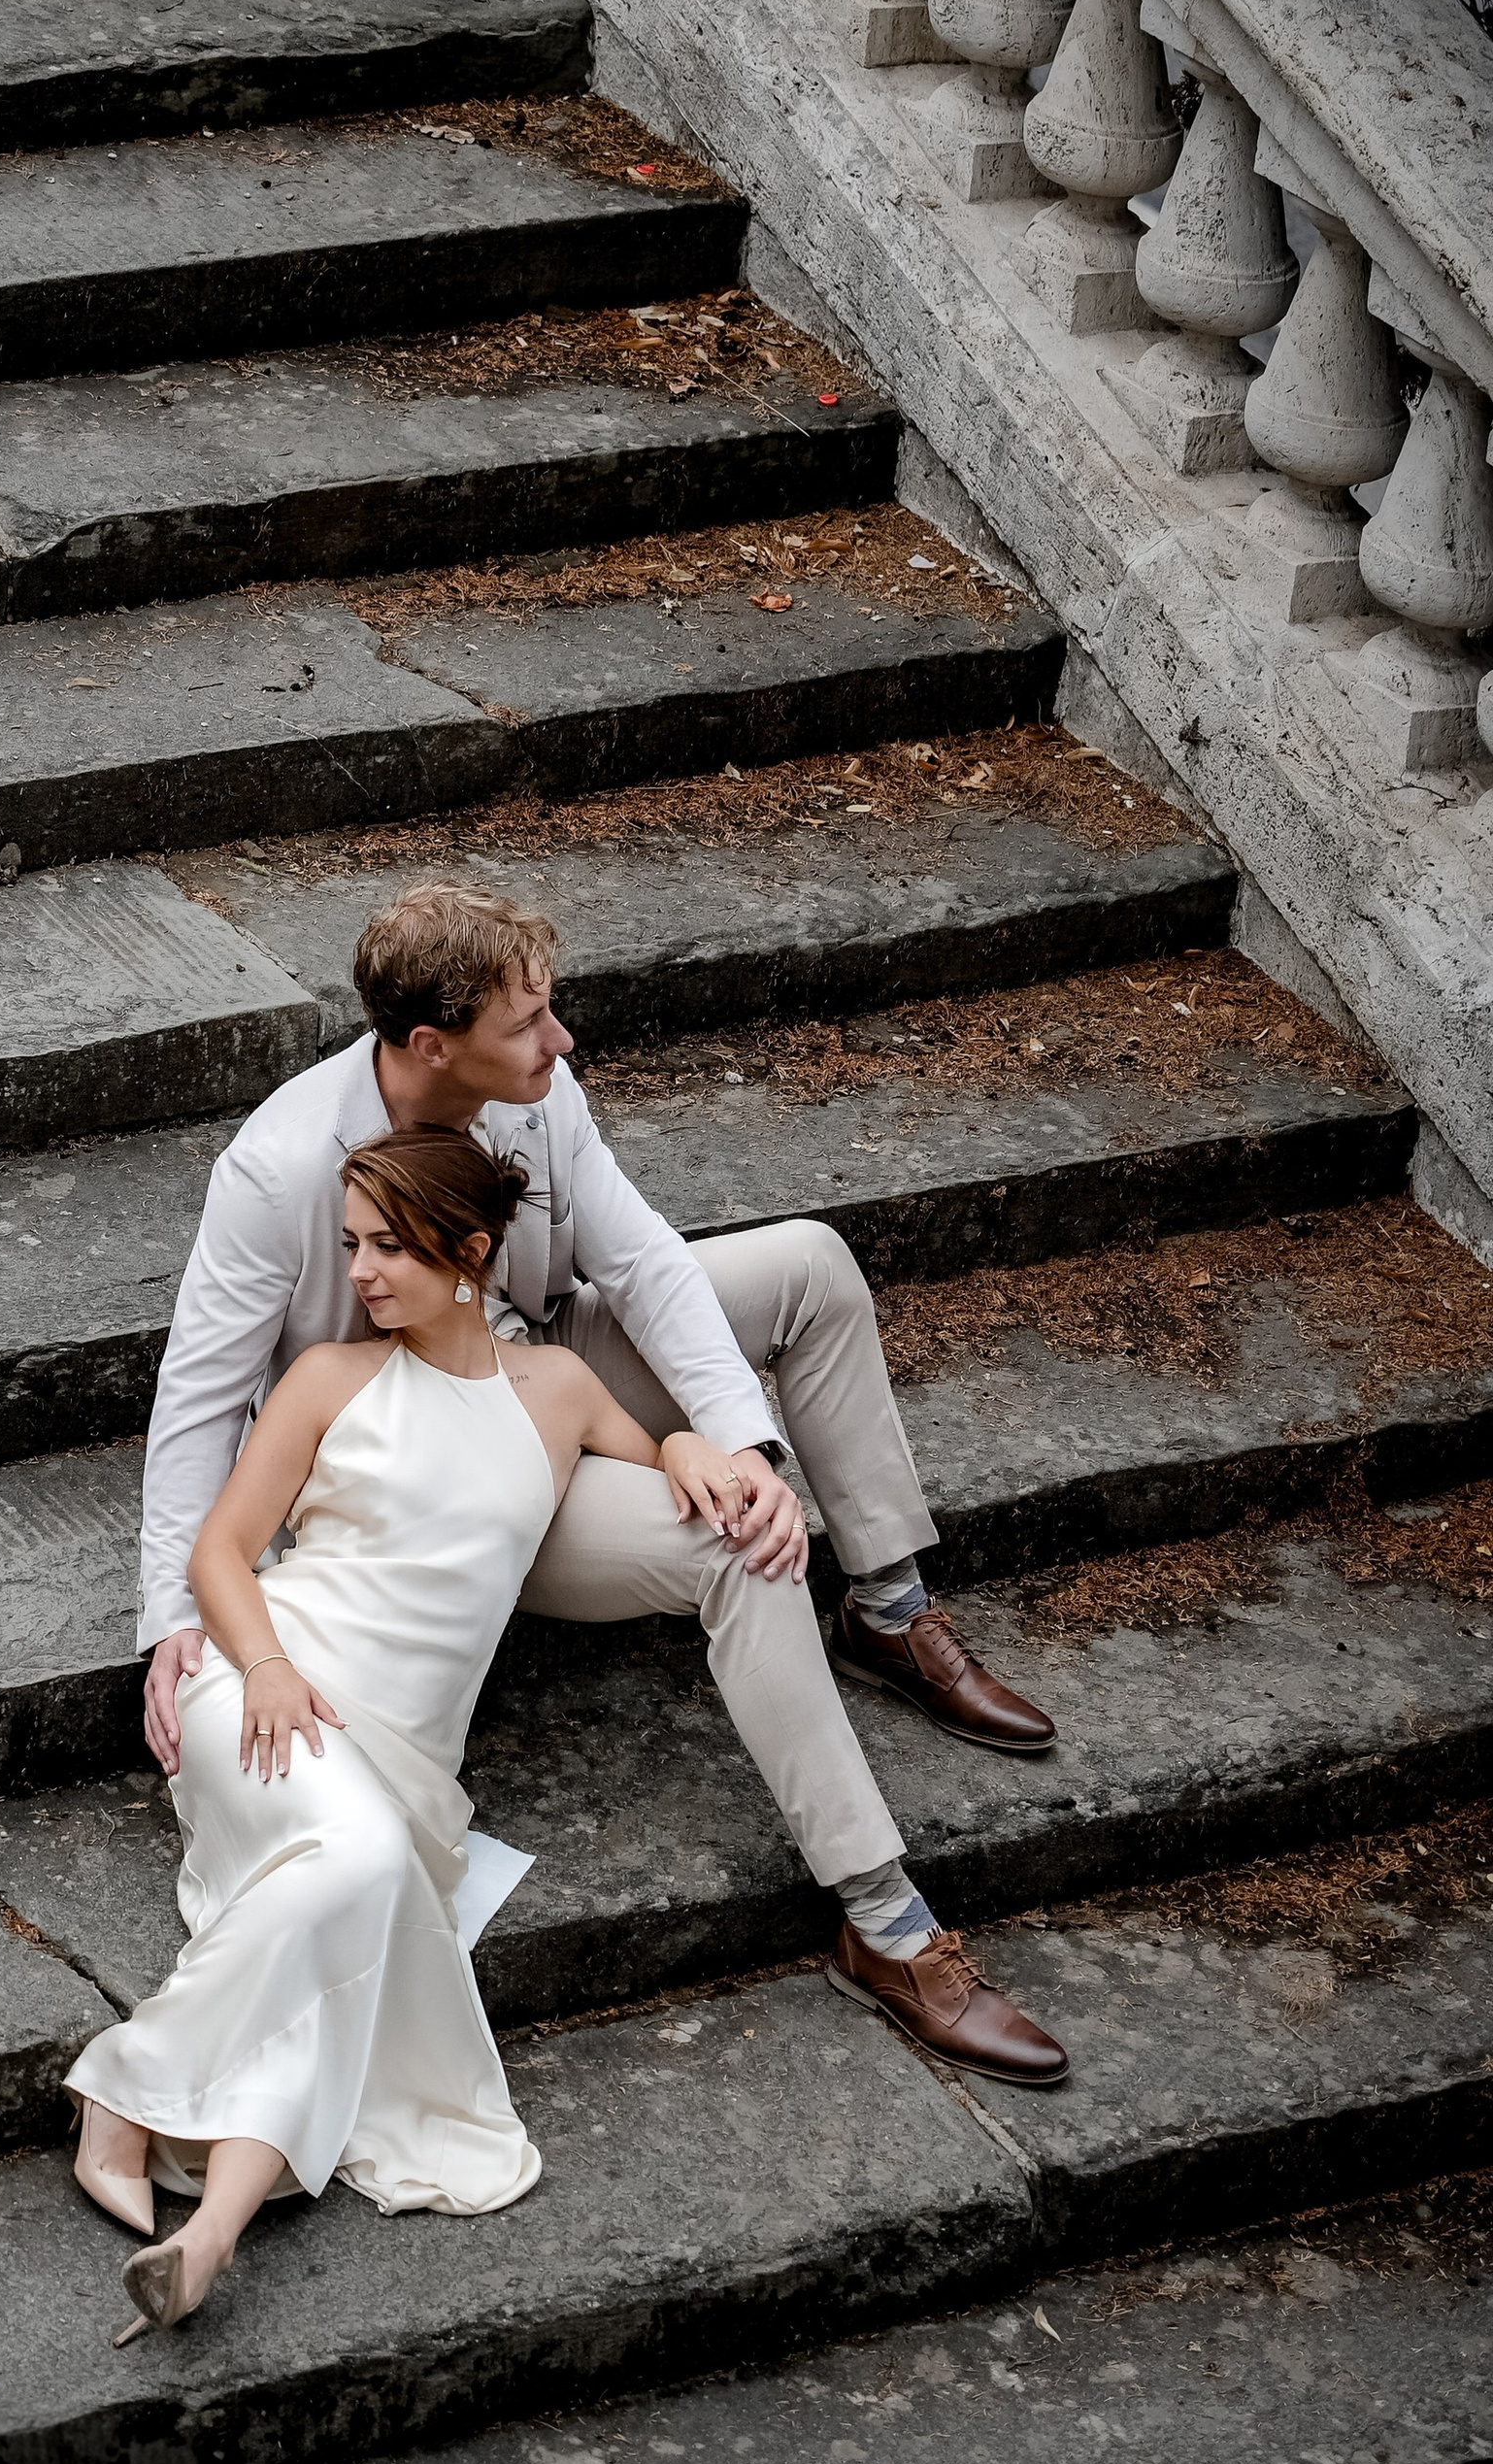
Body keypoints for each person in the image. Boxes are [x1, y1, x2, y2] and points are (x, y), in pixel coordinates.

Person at [133, 878, 1068, 2103]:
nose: (560, 1042)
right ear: (431, 1045)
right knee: (740, 1554)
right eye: (528, 1024)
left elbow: (641, 1261)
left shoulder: (537, 1095)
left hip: (541, 1365)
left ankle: (886, 1603)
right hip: (429, 1471)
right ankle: (884, 1921)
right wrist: (176, 1619)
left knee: (810, 1267)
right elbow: (199, 1393)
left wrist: (745, 1448)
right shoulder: (277, 1169)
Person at [66, 1126, 661, 2334]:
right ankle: (119, 2096)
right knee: (363, 1865)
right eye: (352, 1244)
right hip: (266, 1694)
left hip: (403, 1760)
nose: (363, 1271)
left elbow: (656, 1471)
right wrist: (268, 1668)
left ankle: (204, 2233)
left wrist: (705, 1442)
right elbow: (219, 1554)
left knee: (349, 1922)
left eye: (389, 1245)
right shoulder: (328, 1378)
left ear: (472, 1252)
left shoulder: (556, 1391)